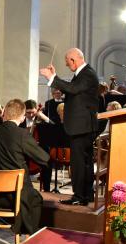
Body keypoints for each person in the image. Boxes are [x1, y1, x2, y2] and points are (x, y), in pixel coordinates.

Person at [0, 99, 50, 235]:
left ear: (4, 114)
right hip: (17, 196)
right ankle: (30, 235)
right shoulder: (22, 135)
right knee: (36, 198)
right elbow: (44, 159)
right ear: (23, 117)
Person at [40, 47, 99, 205]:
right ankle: (86, 195)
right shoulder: (83, 73)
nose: (67, 65)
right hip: (82, 126)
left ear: (74, 60)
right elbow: (73, 90)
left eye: (67, 62)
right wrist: (56, 77)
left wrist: (52, 77)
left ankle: (80, 197)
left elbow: (73, 89)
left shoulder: (87, 74)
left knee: (79, 163)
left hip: (82, 126)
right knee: (84, 163)